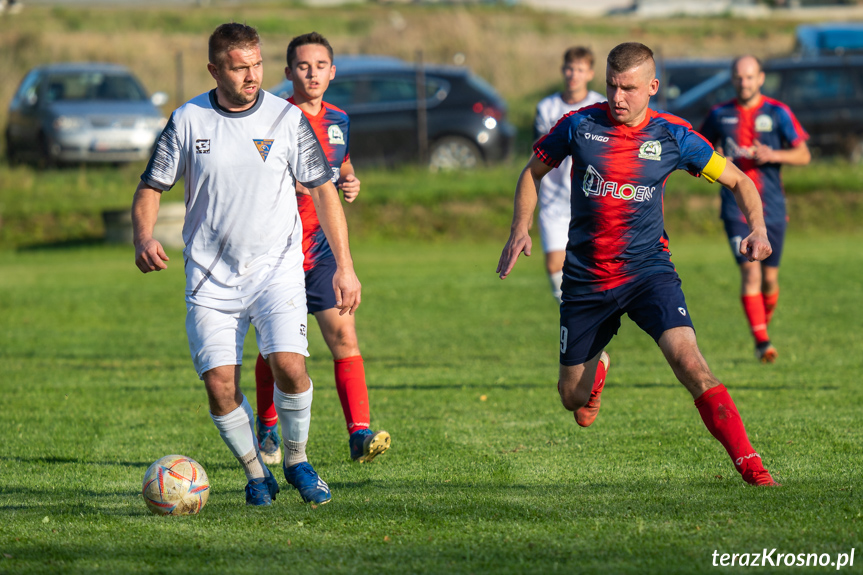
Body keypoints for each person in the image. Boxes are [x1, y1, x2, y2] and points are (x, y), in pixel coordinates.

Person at [497, 42, 778, 486]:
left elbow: (738, 180)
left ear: (652, 87)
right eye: (611, 85)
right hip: (587, 278)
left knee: (690, 362)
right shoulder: (579, 126)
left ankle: (752, 466)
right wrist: (520, 227)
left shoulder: (673, 136)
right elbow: (532, 171)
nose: (616, 97)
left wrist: (758, 227)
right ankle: (598, 366)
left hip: (648, 271)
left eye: (628, 88)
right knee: (572, 398)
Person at [132, 23, 361, 506]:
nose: (252, 75)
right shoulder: (188, 120)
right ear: (215, 69)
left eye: (257, 64)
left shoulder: (286, 119)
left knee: (290, 369)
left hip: (276, 270)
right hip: (211, 278)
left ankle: (297, 460)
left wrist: (345, 265)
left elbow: (324, 190)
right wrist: (144, 236)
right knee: (219, 386)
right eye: (240, 68)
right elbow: (152, 187)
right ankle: (257, 473)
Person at [253, 32, 391, 466]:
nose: (312, 74)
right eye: (302, 66)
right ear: (289, 72)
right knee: (274, 351)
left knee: (344, 336)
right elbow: (255, 173)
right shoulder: (272, 118)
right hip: (277, 251)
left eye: (320, 66)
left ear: (332, 72)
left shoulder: (338, 119)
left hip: (322, 248)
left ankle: (359, 434)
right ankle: (268, 424)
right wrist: (291, 180)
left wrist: (349, 180)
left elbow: (341, 162)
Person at [699, 55, 810, 363]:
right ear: (732, 79)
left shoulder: (778, 112)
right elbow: (698, 151)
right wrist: (715, 156)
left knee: (770, 279)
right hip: (736, 211)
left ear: (760, 78)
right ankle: (763, 343)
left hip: (773, 207)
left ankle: (761, 321)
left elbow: (803, 155)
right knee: (751, 273)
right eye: (738, 77)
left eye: (749, 77)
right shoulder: (719, 114)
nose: (743, 83)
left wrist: (773, 154)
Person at [534, 46, 605, 303]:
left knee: (591, 268)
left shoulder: (599, 106)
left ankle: (592, 330)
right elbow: (539, 154)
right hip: (554, 201)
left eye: (580, 69)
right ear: (563, 70)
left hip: (590, 200)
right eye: (569, 68)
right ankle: (577, 323)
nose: (573, 74)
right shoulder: (547, 107)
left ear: (590, 73)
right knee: (555, 265)